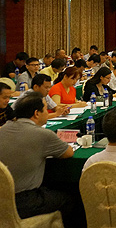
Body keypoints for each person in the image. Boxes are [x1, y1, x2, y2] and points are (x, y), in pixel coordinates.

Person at [0, 92, 80, 227]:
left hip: (3, 197)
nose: (47, 113)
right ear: (36, 113)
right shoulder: (43, 134)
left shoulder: (3, 129)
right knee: (70, 198)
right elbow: (68, 153)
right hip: (24, 200)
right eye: (46, 109)